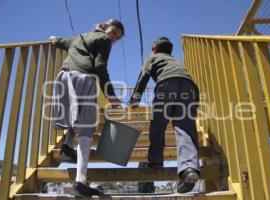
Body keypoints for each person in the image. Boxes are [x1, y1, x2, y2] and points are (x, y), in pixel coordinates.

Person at [50, 19, 124, 197]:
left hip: (63, 78)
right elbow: (100, 66)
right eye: (114, 33)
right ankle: (80, 182)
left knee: (75, 117)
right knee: (86, 130)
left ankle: (67, 147)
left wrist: (52, 39)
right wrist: (111, 95)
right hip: (84, 77)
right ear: (106, 27)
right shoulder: (104, 40)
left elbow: (59, 41)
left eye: (117, 37)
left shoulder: (79, 38)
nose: (113, 38)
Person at [129, 37, 200, 193]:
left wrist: (135, 97)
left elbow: (144, 75)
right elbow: (185, 79)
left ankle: (155, 162)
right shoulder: (176, 61)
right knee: (186, 129)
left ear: (154, 48)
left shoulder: (153, 57)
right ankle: (189, 169)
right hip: (189, 88)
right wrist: (195, 103)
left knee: (158, 125)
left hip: (167, 85)